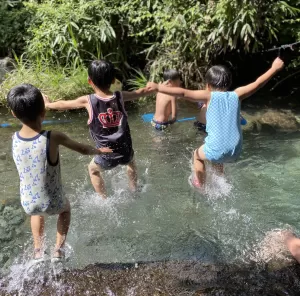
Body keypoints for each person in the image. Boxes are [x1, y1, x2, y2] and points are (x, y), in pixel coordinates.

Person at [7, 84, 112, 261]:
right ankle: (58, 250)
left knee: (36, 212)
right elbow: (83, 150)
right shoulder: (53, 137)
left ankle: (38, 250)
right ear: (43, 111)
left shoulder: (14, 139)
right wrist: (99, 151)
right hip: (53, 202)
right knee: (65, 210)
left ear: (14, 114)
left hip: (28, 202)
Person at [148, 57, 284, 190]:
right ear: (229, 83)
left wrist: (158, 87)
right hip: (236, 149)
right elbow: (258, 83)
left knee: (196, 155)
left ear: (207, 85)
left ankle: (200, 185)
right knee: (217, 158)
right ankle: (221, 182)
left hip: (217, 147)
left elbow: (183, 93)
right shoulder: (237, 94)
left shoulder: (208, 96)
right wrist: (274, 68)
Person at [44, 60, 156, 199]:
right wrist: (154, 87)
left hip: (105, 154)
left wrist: (48, 105)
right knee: (131, 162)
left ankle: (104, 199)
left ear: (89, 81)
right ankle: (133, 189)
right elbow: (142, 92)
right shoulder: (121, 97)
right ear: (114, 80)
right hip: (125, 150)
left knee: (93, 170)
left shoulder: (88, 101)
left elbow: (64, 105)